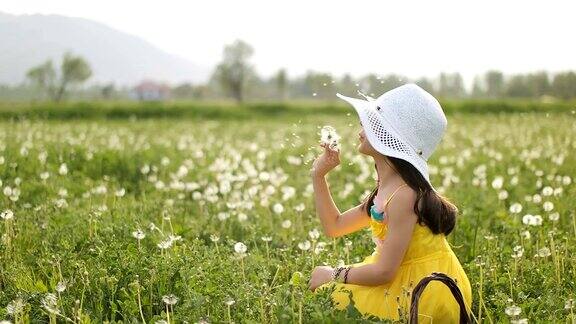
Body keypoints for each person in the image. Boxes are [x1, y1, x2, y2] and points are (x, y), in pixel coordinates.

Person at [308, 83, 473, 322]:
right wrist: (318, 175)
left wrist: (334, 274)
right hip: (406, 277)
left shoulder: (405, 195)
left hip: (425, 290)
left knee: (328, 296)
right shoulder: (387, 190)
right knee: (326, 293)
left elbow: (384, 272)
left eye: (371, 123)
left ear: (387, 136)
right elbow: (335, 226)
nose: (361, 128)